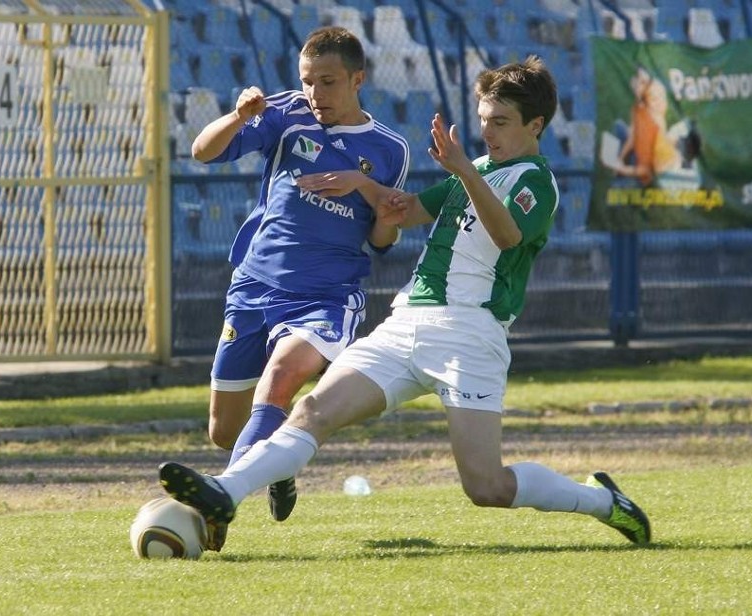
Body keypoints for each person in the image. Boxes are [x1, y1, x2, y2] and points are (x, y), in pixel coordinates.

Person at [159, 56, 651, 551]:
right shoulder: (473, 170)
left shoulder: (536, 182)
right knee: (312, 411)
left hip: (470, 334)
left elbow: (506, 234)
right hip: (406, 322)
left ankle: (607, 504)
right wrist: (365, 186)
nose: (488, 132)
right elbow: (407, 212)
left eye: (500, 122)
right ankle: (226, 491)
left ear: (536, 125)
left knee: (486, 486)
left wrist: (462, 170)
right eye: (483, 121)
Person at [190, 25, 410, 542]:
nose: (316, 94)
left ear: (358, 79)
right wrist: (239, 117)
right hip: (254, 287)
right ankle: (278, 465)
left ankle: (218, 504)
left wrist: (368, 191)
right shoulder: (286, 113)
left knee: (284, 376)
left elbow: (382, 238)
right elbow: (203, 151)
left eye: (328, 82)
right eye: (308, 81)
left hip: (327, 296)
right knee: (224, 431)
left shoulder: (389, 150)